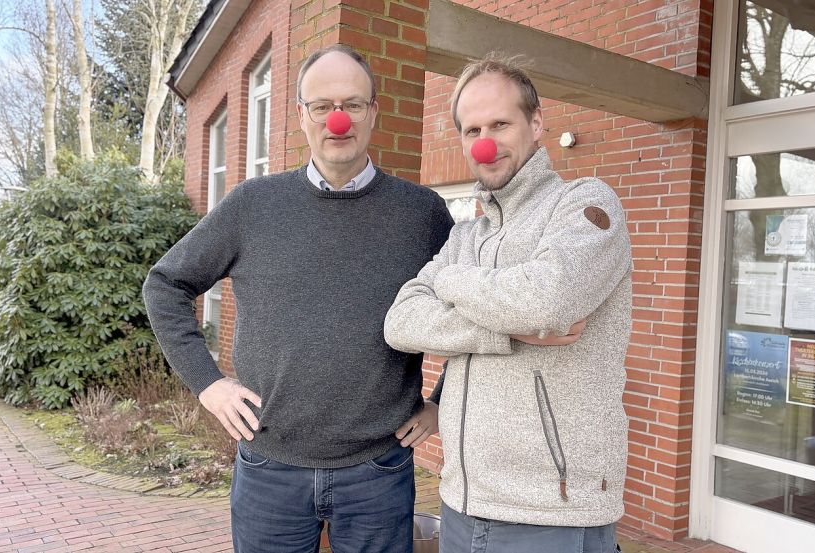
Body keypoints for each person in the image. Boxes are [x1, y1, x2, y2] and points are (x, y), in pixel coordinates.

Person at [143, 44, 453, 553]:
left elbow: (470, 314)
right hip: (270, 469)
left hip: (379, 469)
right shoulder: (253, 205)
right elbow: (165, 285)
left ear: (374, 112)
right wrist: (208, 385)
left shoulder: (423, 214)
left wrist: (440, 403)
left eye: (353, 104)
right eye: (321, 105)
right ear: (301, 116)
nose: (338, 119)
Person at [384, 53, 632, 553]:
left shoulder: (585, 204)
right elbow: (401, 319)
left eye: (500, 123)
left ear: (536, 122)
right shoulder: (467, 235)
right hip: (463, 499)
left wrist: (449, 281)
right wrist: (501, 327)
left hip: (548, 509)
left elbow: (546, 300)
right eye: (471, 129)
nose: (485, 142)